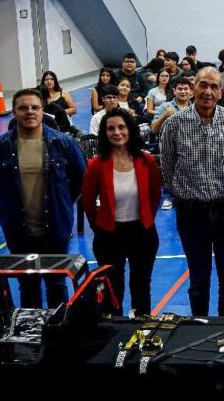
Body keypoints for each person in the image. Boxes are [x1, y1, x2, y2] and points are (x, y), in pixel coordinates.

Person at [159, 66, 224, 316]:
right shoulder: (175, 124)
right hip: (191, 212)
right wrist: (186, 192)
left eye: (214, 87)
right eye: (203, 85)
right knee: (198, 280)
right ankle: (198, 328)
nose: (208, 92)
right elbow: (167, 168)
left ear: (221, 92)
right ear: (193, 88)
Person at [0, 89, 85, 308]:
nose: (30, 112)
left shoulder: (63, 143)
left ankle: (57, 335)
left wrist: (63, 204)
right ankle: (33, 336)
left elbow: (79, 180)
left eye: (35, 107)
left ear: (42, 110)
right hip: (17, 229)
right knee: (27, 285)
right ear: (14, 112)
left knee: (57, 283)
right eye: (23, 108)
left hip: (56, 226)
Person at [82, 109, 161, 315]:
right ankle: (116, 332)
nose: (116, 132)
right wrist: (100, 226)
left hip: (142, 233)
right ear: (104, 133)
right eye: (110, 128)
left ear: (130, 130)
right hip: (109, 235)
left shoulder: (146, 161)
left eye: (121, 127)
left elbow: (154, 195)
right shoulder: (96, 164)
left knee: (141, 286)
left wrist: (145, 220)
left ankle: (141, 330)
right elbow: (88, 202)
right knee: (112, 289)